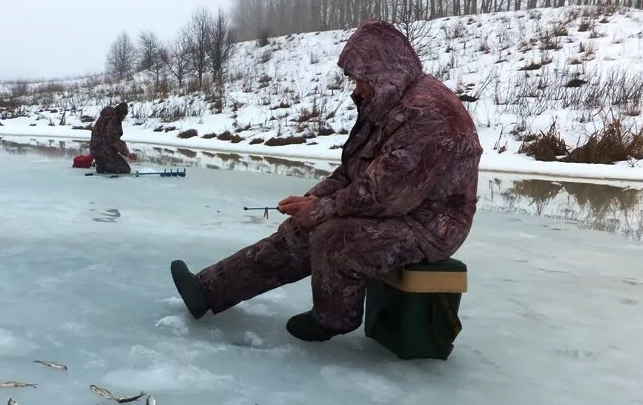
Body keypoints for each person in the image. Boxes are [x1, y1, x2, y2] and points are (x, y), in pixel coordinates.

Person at [170, 20, 483, 343]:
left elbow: (387, 194)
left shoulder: (429, 114)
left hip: (430, 225)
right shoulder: (389, 104)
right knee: (300, 230)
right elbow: (353, 172)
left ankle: (334, 318)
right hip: (398, 209)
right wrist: (313, 199)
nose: (356, 89)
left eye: (360, 80)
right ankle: (208, 290)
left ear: (383, 73)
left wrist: (322, 210)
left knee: (335, 236)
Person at [89, 101, 133, 174]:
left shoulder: (107, 116)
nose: (123, 117)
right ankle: (103, 164)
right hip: (104, 150)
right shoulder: (114, 119)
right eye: (124, 115)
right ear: (121, 113)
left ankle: (101, 162)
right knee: (125, 169)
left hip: (96, 149)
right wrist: (127, 153)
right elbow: (113, 139)